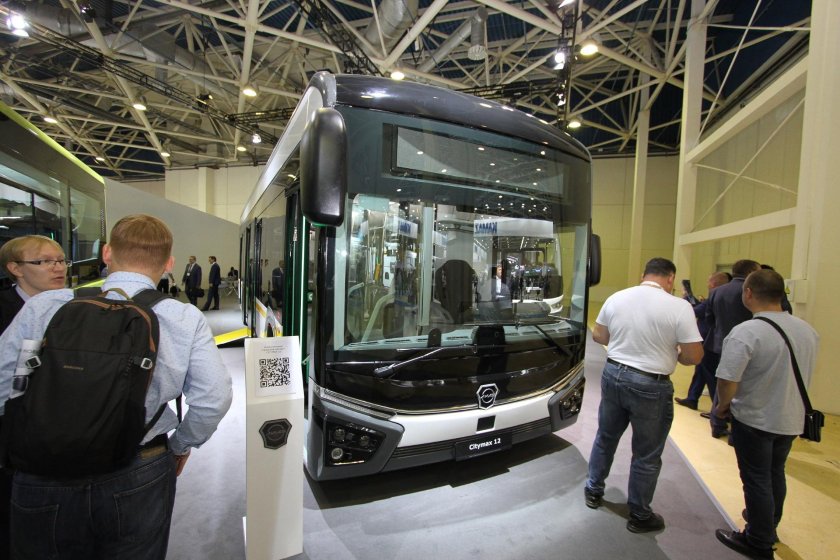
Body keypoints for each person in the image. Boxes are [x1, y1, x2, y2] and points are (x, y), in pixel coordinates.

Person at [0, 214, 233, 560]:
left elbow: (6, 384)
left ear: (107, 253)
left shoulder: (45, 306)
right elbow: (214, 399)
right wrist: (180, 445)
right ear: (169, 263)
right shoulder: (182, 317)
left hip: (43, 467)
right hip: (139, 463)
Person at [585, 258, 703, 533]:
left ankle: (593, 490)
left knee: (606, 437)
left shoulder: (617, 298)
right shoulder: (679, 307)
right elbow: (694, 356)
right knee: (646, 453)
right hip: (651, 385)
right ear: (671, 278)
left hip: (614, 375)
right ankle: (639, 514)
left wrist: (626, 342)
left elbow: (599, 336)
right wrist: (674, 353)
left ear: (643, 275)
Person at [713, 269, 819, 559]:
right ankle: (768, 524)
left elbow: (727, 379)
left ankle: (758, 541)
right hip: (790, 418)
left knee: (756, 478)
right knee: (775, 473)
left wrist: (722, 407)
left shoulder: (747, 332)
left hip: (755, 418)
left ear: (748, 293)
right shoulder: (807, 330)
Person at [0, 235, 69, 560]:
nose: (58, 268)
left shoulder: (77, 307)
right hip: (12, 443)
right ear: (15, 268)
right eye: (44, 262)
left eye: (61, 260)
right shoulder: (5, 311)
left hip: (65, 443)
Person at [703, 259, 761, 437]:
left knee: (722, 384)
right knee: (742, 389)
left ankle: (717, 423)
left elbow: (709, 318)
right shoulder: (752, 292)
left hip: (718, 343)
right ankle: (736, 429)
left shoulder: (717, 292)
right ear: (750, 272)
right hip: (746, 345)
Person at [674, 271, 730, 410]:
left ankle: (717, 407)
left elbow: (696, 311)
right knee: (701, 371)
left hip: (708, 340)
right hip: (714, 340)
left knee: (710, 374)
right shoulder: (724, 298)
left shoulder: (714, 297)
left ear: (713, 283)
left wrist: (687, 298)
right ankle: (692, 398)